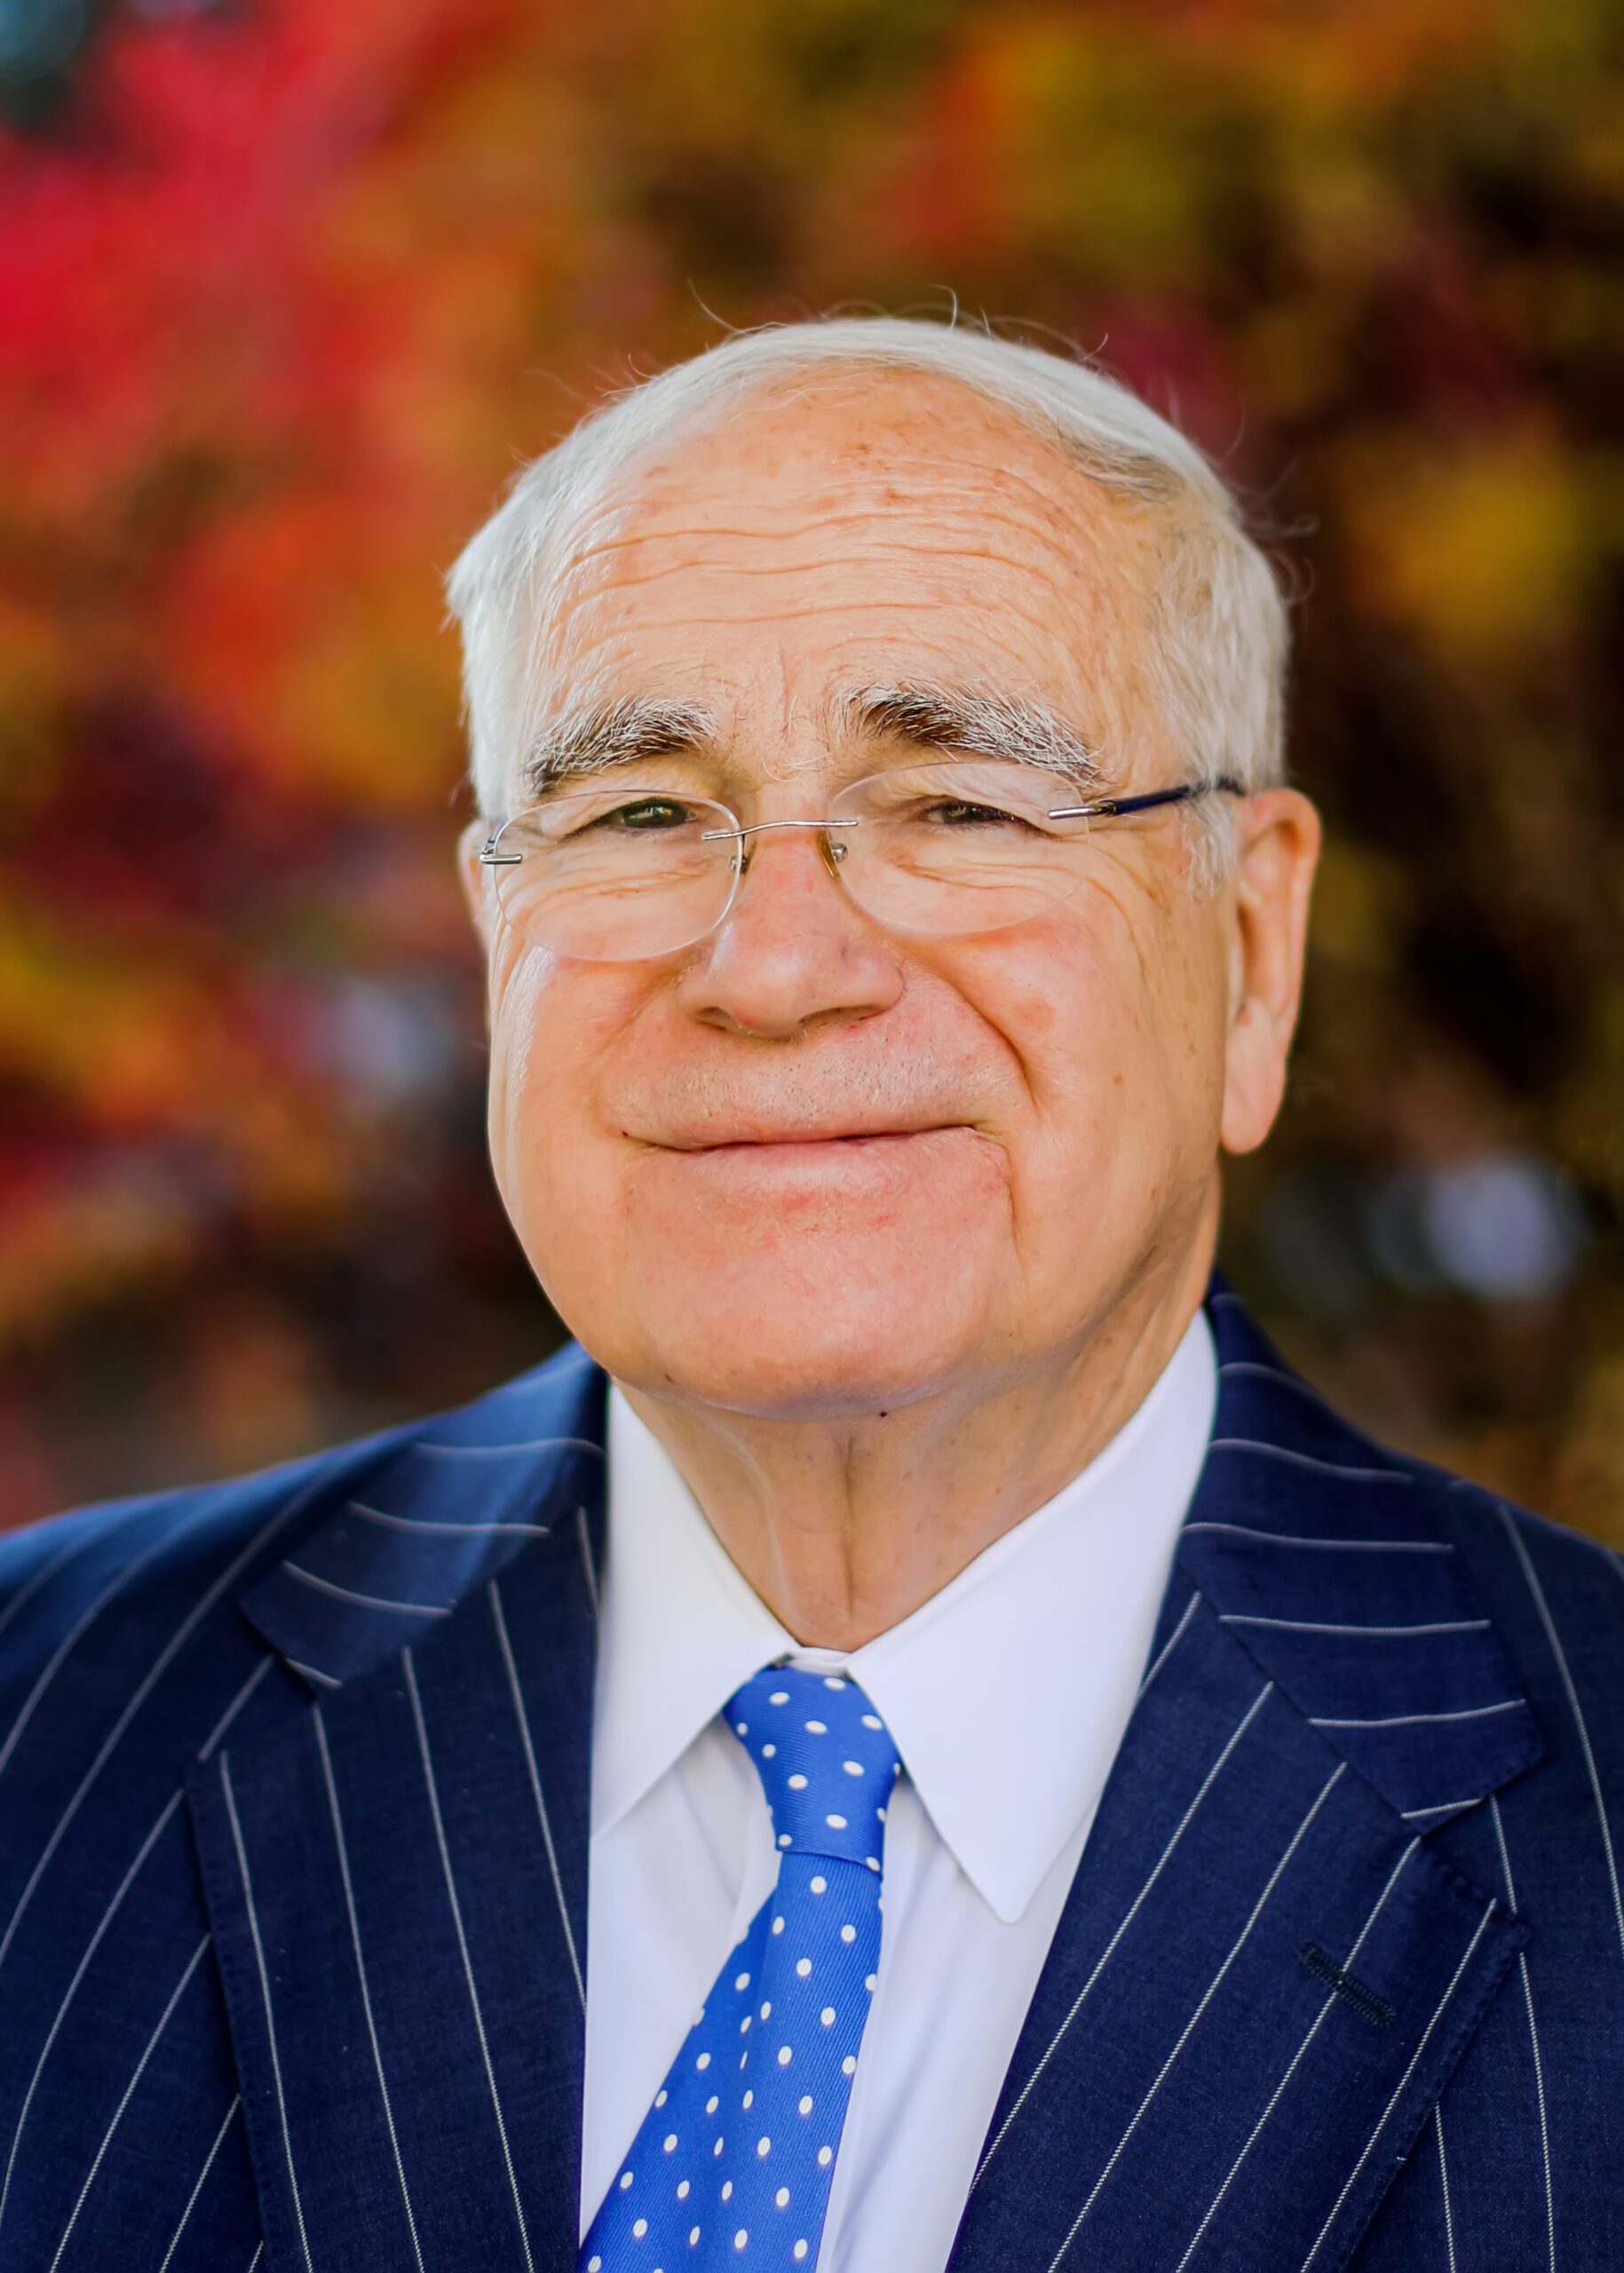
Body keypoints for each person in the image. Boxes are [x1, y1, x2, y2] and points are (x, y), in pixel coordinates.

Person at [0, 319, 1619, 2273]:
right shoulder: (39, 1725)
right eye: (638, 813)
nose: (773, 967)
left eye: (958, 805)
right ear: (495, 924)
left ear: (1254, 951)